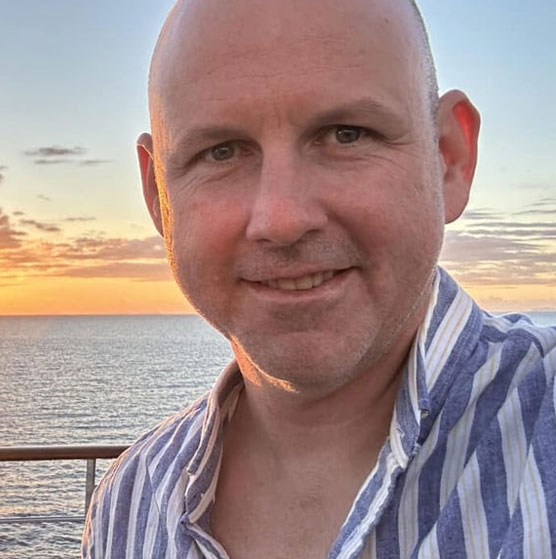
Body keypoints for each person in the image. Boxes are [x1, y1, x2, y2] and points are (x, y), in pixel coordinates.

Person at [83, 0, 556, 557]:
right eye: (221, 152)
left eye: (346, 134)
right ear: (159, 198)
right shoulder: (128, 503)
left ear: (449, 159)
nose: (281, 219)